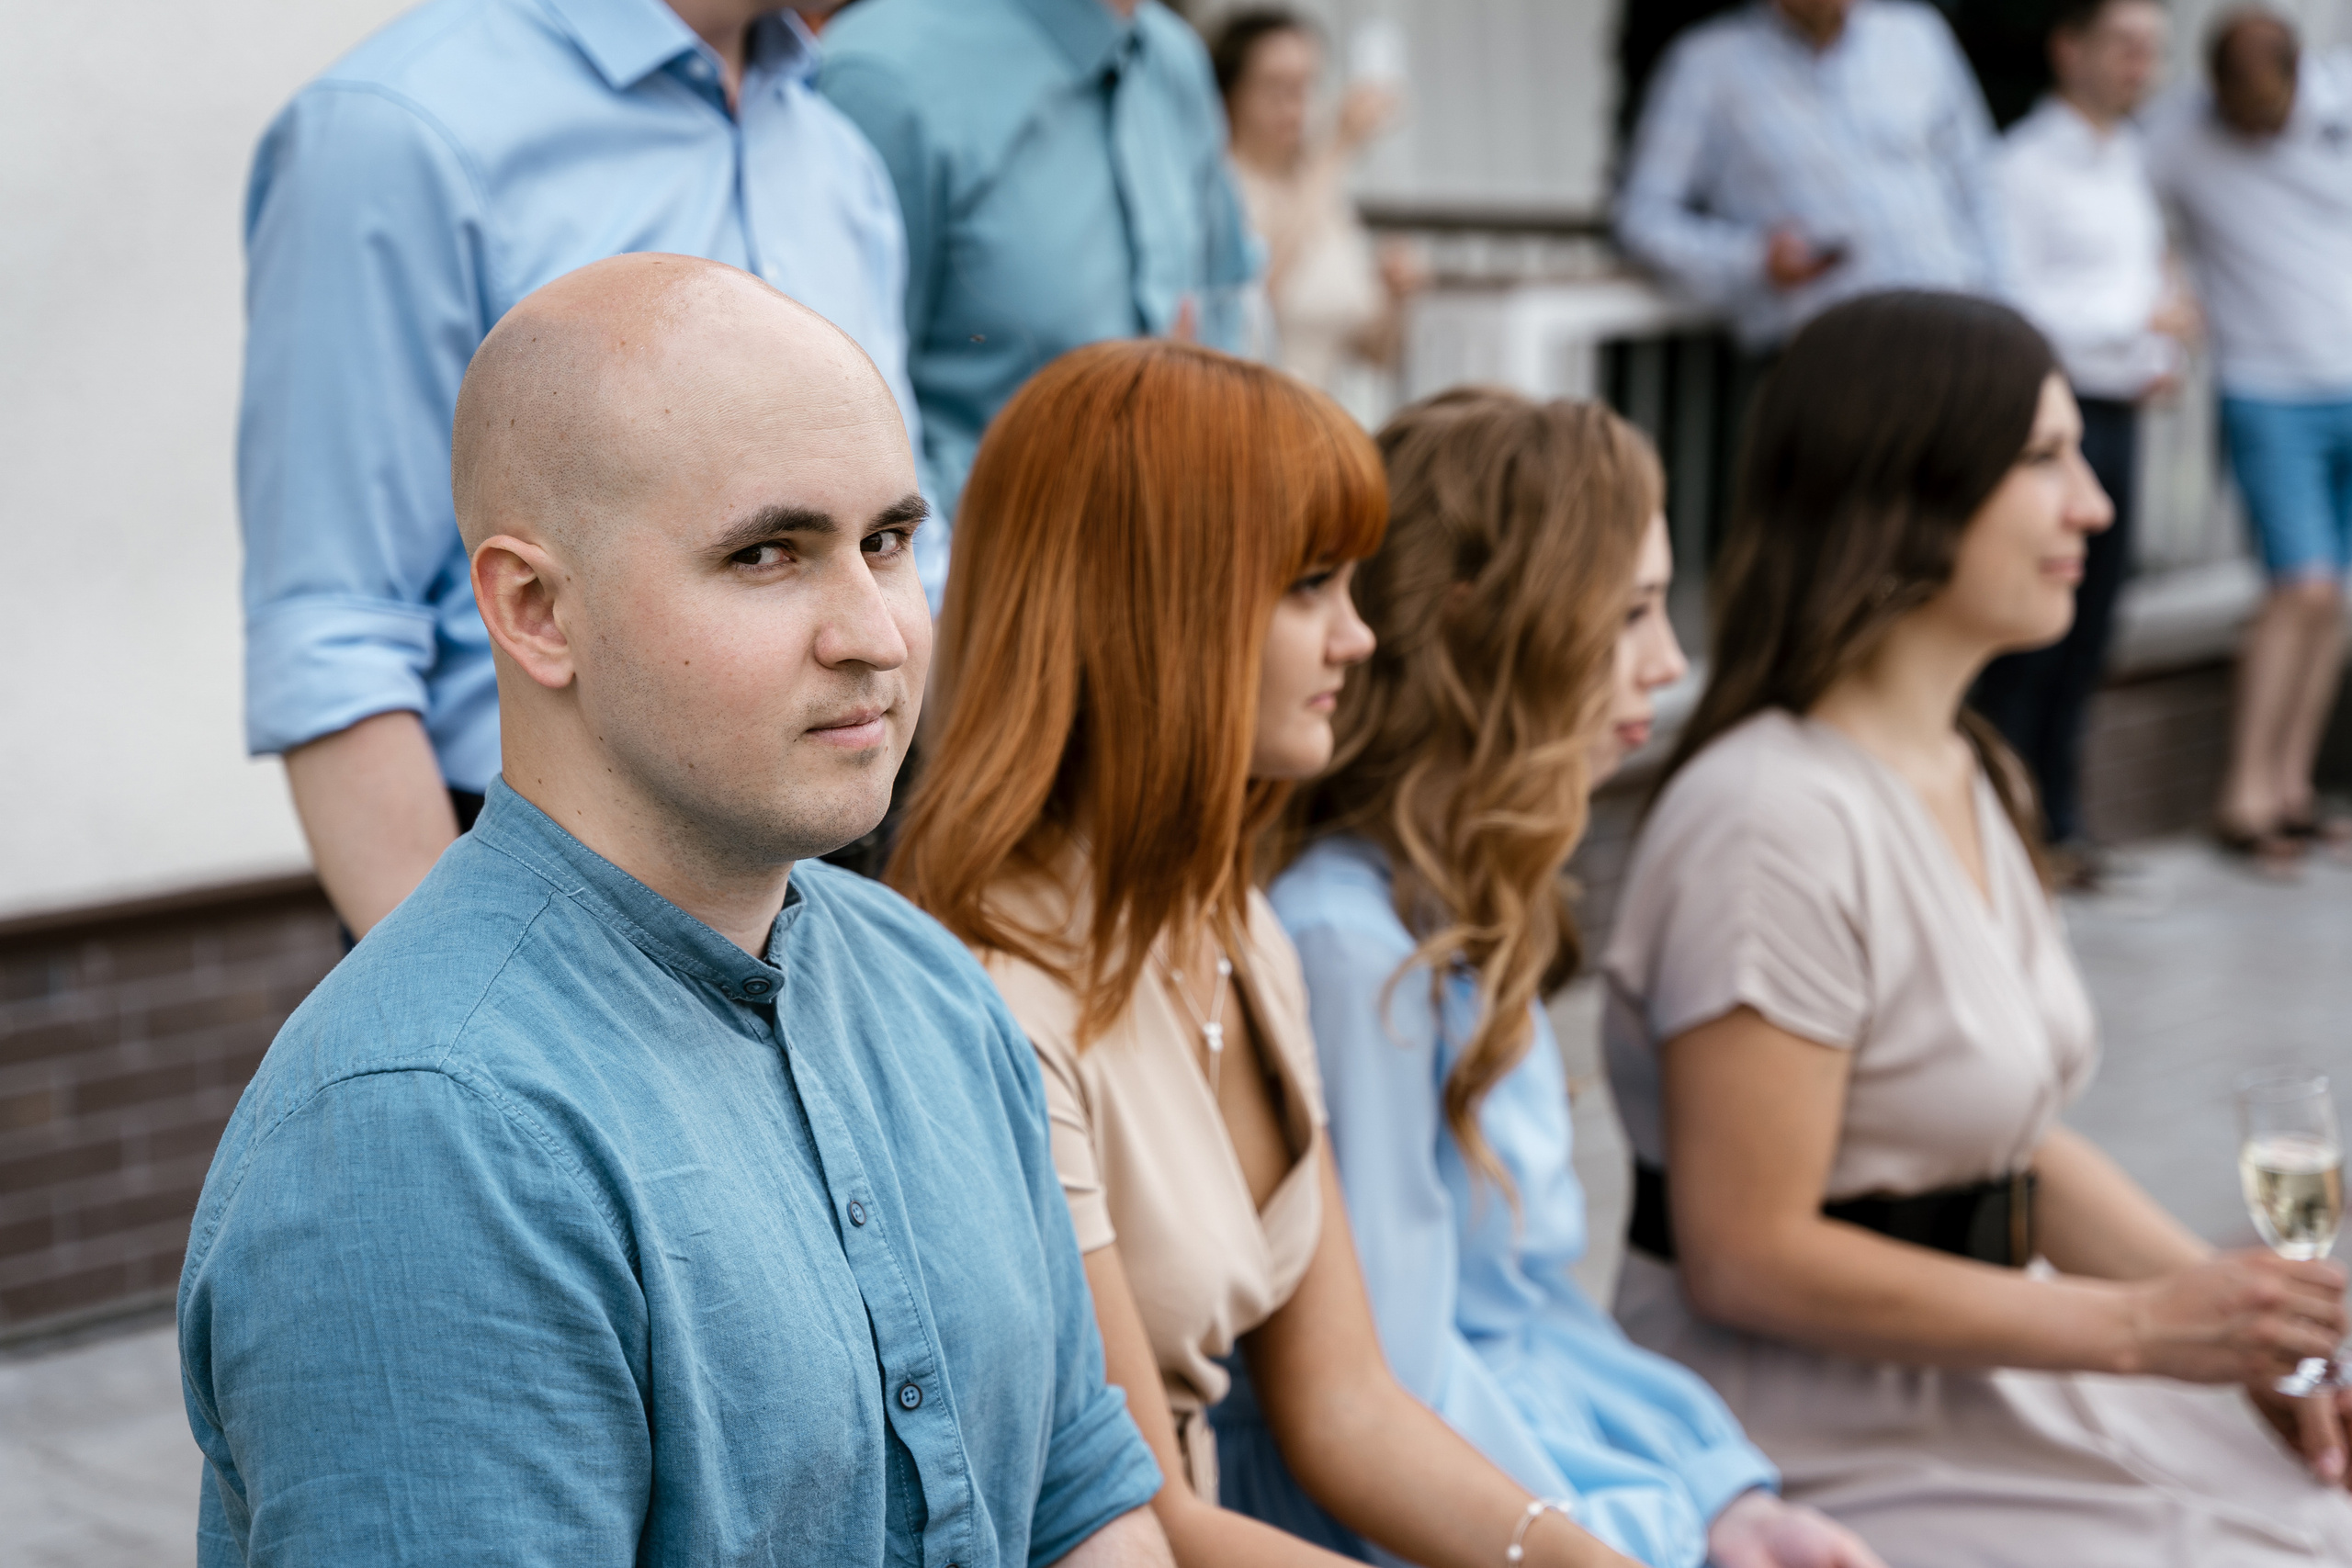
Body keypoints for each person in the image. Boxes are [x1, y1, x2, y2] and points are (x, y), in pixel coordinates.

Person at [179, 256, 1169, 1567]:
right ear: (535, 609)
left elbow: (1078, 1506)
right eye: (768, 553)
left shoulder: (927, 983)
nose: (874, 631)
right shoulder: (426, 1126)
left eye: (887, 541)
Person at [1603, 290, 2352, 1565]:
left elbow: (2009, 1146)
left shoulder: (1963, 765)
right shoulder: (1769, 819)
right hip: (1817, 1424)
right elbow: (1744, 1255)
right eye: (2045, 460)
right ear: (1911, 488)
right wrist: (2147, 1329)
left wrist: (2260, 1340)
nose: (2095, 506)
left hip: (1987, 1373)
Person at [890, 340, 1642, 1568]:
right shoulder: (996, 988)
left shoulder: (1232, 918)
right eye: (1310, 588)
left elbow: (1347, 1405)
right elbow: (1139, 1517)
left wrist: (1571, 1555)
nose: (1358, 638)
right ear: (1153, 607)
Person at [1220, 388, 1883, 1568]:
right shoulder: (1351, 946)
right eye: (1628, 613)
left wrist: (1727, 1498)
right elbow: (1398, 1394)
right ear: (1484, 625)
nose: (1670, 663)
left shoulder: (1456, 909)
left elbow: (1525, 1319)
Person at [242, 0, 922, 941]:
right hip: (539, 892)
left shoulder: (832, 151)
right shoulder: (396, 129)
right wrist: (459, 994)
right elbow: (335, 630)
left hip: (847, 877)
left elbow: (897, 518)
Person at [820, 0, 1257, 536]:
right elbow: (832, 419)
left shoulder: (1173, 59)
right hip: (972, 594)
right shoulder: (884, 75)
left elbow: (1223, 300)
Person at [1976, 0, 2191, 887]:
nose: (2142, 65)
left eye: (2152, 50)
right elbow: (2011, 299)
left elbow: (2137, 275)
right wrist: (2134, 319)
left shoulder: (2129, 159)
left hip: (2123, 411)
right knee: (2031, 632)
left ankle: (2060, 820)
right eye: (2127, 45)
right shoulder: (2020, 167)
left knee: (2091, 625)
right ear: (2071, 49)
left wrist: (2160, 341)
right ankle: (2008, 825)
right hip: (2051, 422)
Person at [2149, 7, 2352, 867]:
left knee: (2337, 597)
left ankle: (2290, 789)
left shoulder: (2340, 102)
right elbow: (2121, 206)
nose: (2254, 126)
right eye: (2240, 110)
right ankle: (2243, 792)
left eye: (2267, 108)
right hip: (2267, 388)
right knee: (2299, 586)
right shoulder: (2178, 138)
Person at [1616, 0, 2008, 358]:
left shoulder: (1915, 34)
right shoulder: (1708, 65)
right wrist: (1752, 260)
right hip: (1828, 353)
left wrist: (2009, 321)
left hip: (1959, 332)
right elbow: (1643, 217)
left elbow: (1981, 186)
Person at [1212, 9, 1427, 423]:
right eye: (1276, 88)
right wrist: (1337, 150)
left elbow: (1374, 353)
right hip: (1248, 429)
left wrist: (1397, 296)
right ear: (1229, 94)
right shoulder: (1218, 185)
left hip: (1327, 431)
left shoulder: (1325, 194)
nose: (1295, 106)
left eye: (1307, 86)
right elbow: (1254, 293)